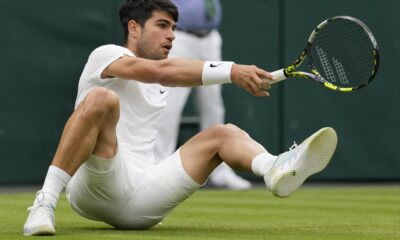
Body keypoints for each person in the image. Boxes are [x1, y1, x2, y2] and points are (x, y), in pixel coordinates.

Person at [23, 0, 338, 236]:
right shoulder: (106, 55)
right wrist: (232, 70)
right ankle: (45, 203)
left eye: (173, 27)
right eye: (162, 25)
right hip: (94, 186)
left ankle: (273, 167)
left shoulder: (162, 79)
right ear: (134, 28)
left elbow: (167, 74)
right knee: (102, 99)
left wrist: (236, 73)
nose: (171, 35)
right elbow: (160, 72)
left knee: (222, 133)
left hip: (142, 201)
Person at [154, 0, 252, 190]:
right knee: (169, 106)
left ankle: (219, 170)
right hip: (179, 36)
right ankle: (159, 169)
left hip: (210, 38)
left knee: (213, 107)